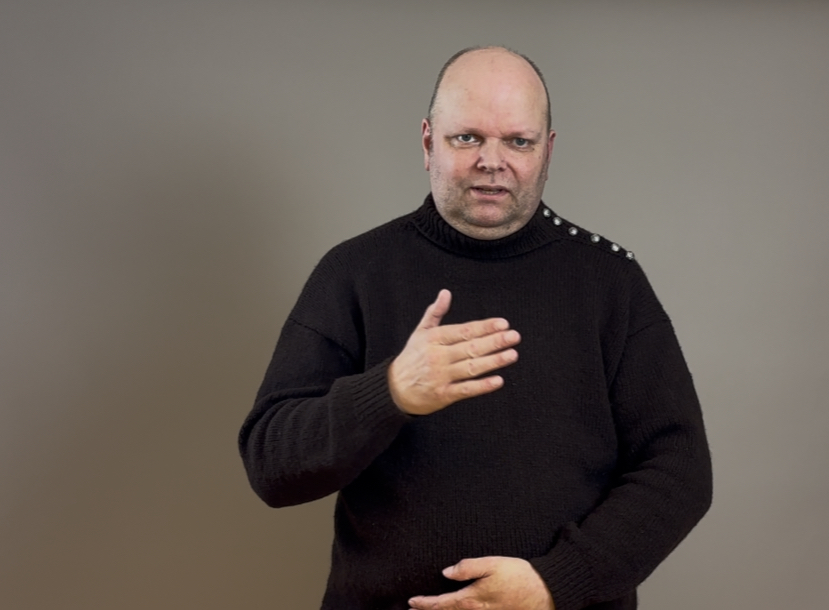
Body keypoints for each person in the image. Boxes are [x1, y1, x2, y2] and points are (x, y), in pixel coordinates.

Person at [239, 46, 712, 610]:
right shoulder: (354, 272)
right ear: (427, 143)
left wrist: (555, 583)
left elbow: (680, 470)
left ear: (548, 150)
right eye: (467, 138)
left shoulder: (610, 282)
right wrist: (389, 392)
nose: (493, 161)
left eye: (518, 141)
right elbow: (271, 467)